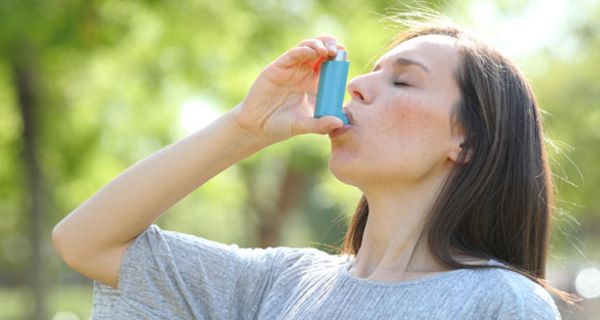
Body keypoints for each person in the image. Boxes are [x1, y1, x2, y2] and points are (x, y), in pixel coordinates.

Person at [52, 17, 569, 319]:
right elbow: (86, 241)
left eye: (404, 82)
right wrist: (245, 127)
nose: (358, 87)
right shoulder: (279, 283)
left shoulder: (501, 304)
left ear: (467, 140)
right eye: (366, 75)